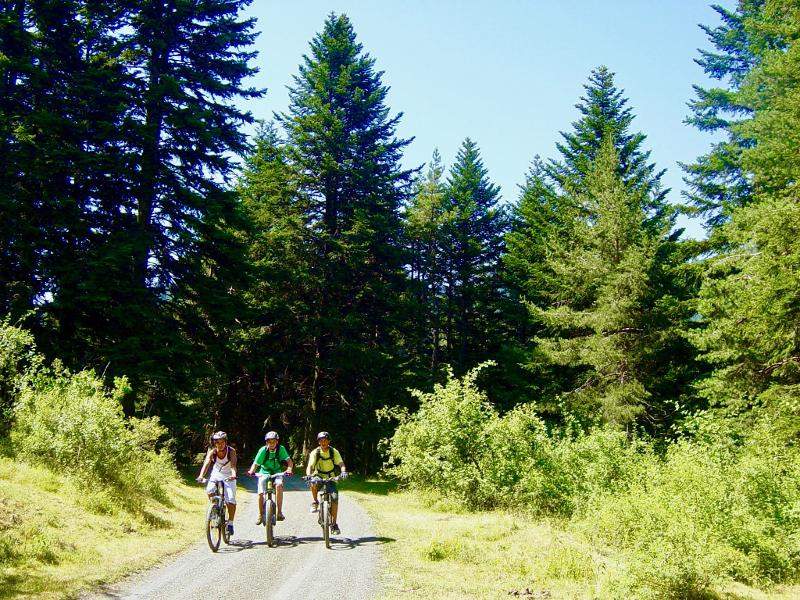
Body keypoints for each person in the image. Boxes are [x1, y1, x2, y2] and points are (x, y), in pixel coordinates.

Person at [246, 431, 293, 525]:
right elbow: (256, 464)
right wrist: (251, 471)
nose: (271, 444)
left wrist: (289, 469)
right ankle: (260, 514)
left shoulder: (281, 449)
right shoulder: (263, 450)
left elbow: (289, 461)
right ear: (266, 442)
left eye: (273, 441)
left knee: (279, 485)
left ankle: (279, 512)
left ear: (277, 442)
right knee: (260, 493)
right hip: (264, 472)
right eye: (269, 442)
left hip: (277, 472)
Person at [306, 431, 347, 535]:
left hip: (330, 477)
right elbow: (310, 466)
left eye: (325, 440)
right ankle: (315, 502)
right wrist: (309, 475)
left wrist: (343, 471)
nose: (323, 442)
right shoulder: (315, 452)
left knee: (334, 498)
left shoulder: (334, 451)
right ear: (318, 442)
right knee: (313, 483)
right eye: (321, 441)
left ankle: (334, 524)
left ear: (329, 441)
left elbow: (341, 463)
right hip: (318, 475)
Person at [196, 431, 237, 536]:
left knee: (231, 500)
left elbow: (233, 465)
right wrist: (201, 476)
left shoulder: (231, 451)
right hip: (216, 474)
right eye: (217, 442)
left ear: (225, 442)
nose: (220, 444)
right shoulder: (212, 451)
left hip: (229, 475)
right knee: (209, 490)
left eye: (222, 442)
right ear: (214, 443)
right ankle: (214, 511)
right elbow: (207, 463)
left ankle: (231, 523)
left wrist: (233, 474)